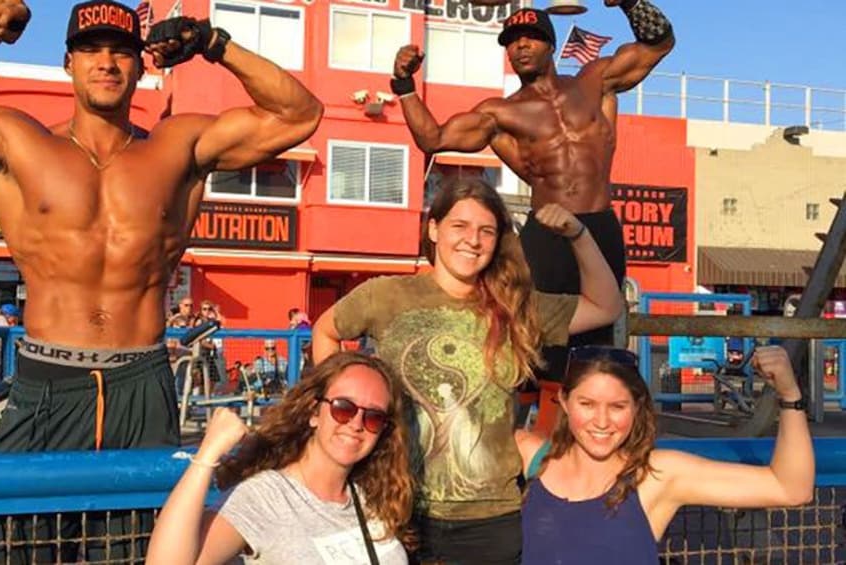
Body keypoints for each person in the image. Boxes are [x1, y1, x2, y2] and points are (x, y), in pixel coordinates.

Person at [0, 0, 321, 560]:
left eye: (121, 52)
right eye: (91, 51)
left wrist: (213, 43)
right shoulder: (15, 142)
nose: (107, 63)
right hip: (48, 380)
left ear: (141, 67)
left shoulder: (179, 148)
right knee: (21, 548)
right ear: (68, 63)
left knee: (137, 548)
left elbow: (298, 114)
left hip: (141, 383)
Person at [312, 177, 623, 564]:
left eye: (486, 231)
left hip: (492, 518)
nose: (472, 240)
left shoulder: (516, 306)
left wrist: (578, 234)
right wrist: (335, 409)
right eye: (459, 226)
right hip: (398, 506)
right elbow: (325, 329)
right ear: (433, 228)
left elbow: (607, 305)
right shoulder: (386, 295)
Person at [391, 0, 675, 402]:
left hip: (598, 225)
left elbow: (658, 43)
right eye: (512, 41)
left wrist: (629, 4)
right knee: (539, 341)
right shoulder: (502, 112)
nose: (521, 46)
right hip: (548, 233)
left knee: (602, 335)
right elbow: (433, 139)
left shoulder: (594, 81)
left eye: (532, 37)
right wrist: (403, 85)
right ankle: (535, 441)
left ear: (551, 44)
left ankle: (593, 437)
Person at [516, 344, 814, 564]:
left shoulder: (655, 476)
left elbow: (790, 488)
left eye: (617, 406)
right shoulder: (530, 458)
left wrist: (790, 397)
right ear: (565, 402)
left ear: (637, 408)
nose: (602, 421)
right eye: (587, 404)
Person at [146, 351, 413, 564]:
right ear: (313, 412)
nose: (356, 424)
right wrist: (207, 455)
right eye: (343, 408)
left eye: (373, 417)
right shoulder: (267, 497)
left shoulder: (372, 494)